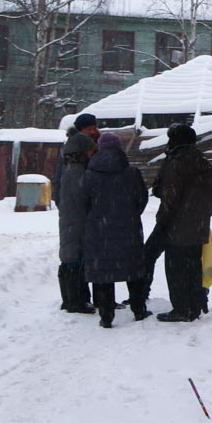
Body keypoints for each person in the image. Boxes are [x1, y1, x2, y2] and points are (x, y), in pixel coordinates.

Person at [74, 131, 153, 328]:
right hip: (129, 230)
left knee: (103, 275)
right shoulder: (132, 173)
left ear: (99, 148)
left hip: (99, 232)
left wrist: (96, 218)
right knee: (134, 271)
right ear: (119, 149)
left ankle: (106, 316)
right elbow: (142, 199)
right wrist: (130, 215)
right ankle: (139, 309)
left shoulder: (89, 175)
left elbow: (82, 204)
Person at [148, 123, 212, 323]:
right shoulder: (203, 162)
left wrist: (164, 222)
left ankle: (181, 308)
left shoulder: (176, 162)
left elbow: (170, 197)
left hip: (176, 228)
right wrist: (201, 216)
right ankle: (195, 305)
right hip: (197, 227)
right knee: (194, 267)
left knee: (176, 269)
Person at [52, 113, 99, 314]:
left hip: (75, 213)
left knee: (78, 253)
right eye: (90, 128)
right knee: (73, 253)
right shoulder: (74, 158)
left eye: (95, 127)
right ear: (82, 131)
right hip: (75, 214)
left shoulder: (75, 153)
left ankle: (80, 298)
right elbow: (68, 186)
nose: (94, 131)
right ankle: (73, 300)